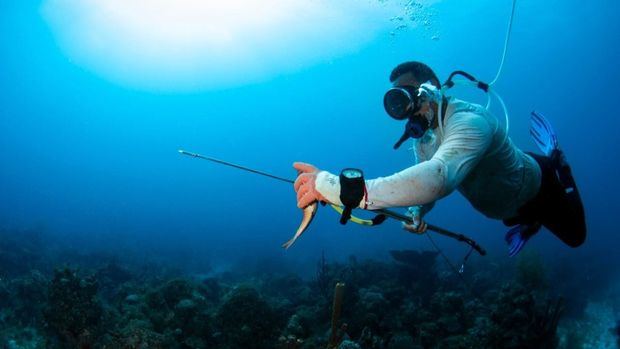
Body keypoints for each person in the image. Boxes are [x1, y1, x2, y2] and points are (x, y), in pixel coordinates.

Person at [293, 61, 586, 256]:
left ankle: (558, 160)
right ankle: (530, 223)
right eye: (398, 104)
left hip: (539, 184)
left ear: (431, 90)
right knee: (511, 218)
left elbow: (440, 176)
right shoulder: (425, 141)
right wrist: (418, 212)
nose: (407, 112)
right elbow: (425, 184)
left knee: (576, 238)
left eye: (408, 99)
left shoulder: (470, 121)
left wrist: (346, 190)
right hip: (507, 208)